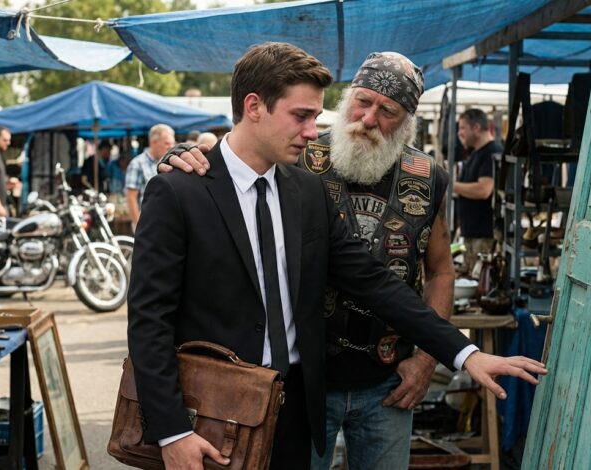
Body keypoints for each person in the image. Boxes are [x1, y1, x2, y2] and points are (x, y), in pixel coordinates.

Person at [128, 42, 546, 470]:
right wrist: (173, 431)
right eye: (302, 116)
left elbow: (375, 282)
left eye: (316, 116)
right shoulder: (179, 190)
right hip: (212, 410)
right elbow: (149, 321)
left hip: (293, 410)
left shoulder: (304, 191)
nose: (314, 132)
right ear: (254, 106)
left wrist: (465, 354)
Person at [163, 51, 454, 469]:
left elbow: (440, 271)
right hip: (303, 379)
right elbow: (235, 161)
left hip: (387, 378)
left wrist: (426, 361)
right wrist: (185, 154)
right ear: (347, 98)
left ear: (408, 120)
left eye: (388, 110)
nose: (369, 119)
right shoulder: (296, 154)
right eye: (363, 102)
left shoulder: (427, 180)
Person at [453, 108, 501, 275]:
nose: (460, 133)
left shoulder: (491, 152)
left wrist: (450, 185)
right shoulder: (475, 154)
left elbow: (484, 190)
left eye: (462, 128)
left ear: (476, 127)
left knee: (479, 282)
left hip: (484, 236)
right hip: (472, 233)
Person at [125, 124, 175, 227]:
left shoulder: (171, 163)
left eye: (172, 143)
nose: (171, 147)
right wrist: (140, 226)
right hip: (147, 225)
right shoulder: (137, 163)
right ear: (154, 142)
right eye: (167, 143)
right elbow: (131, 198)